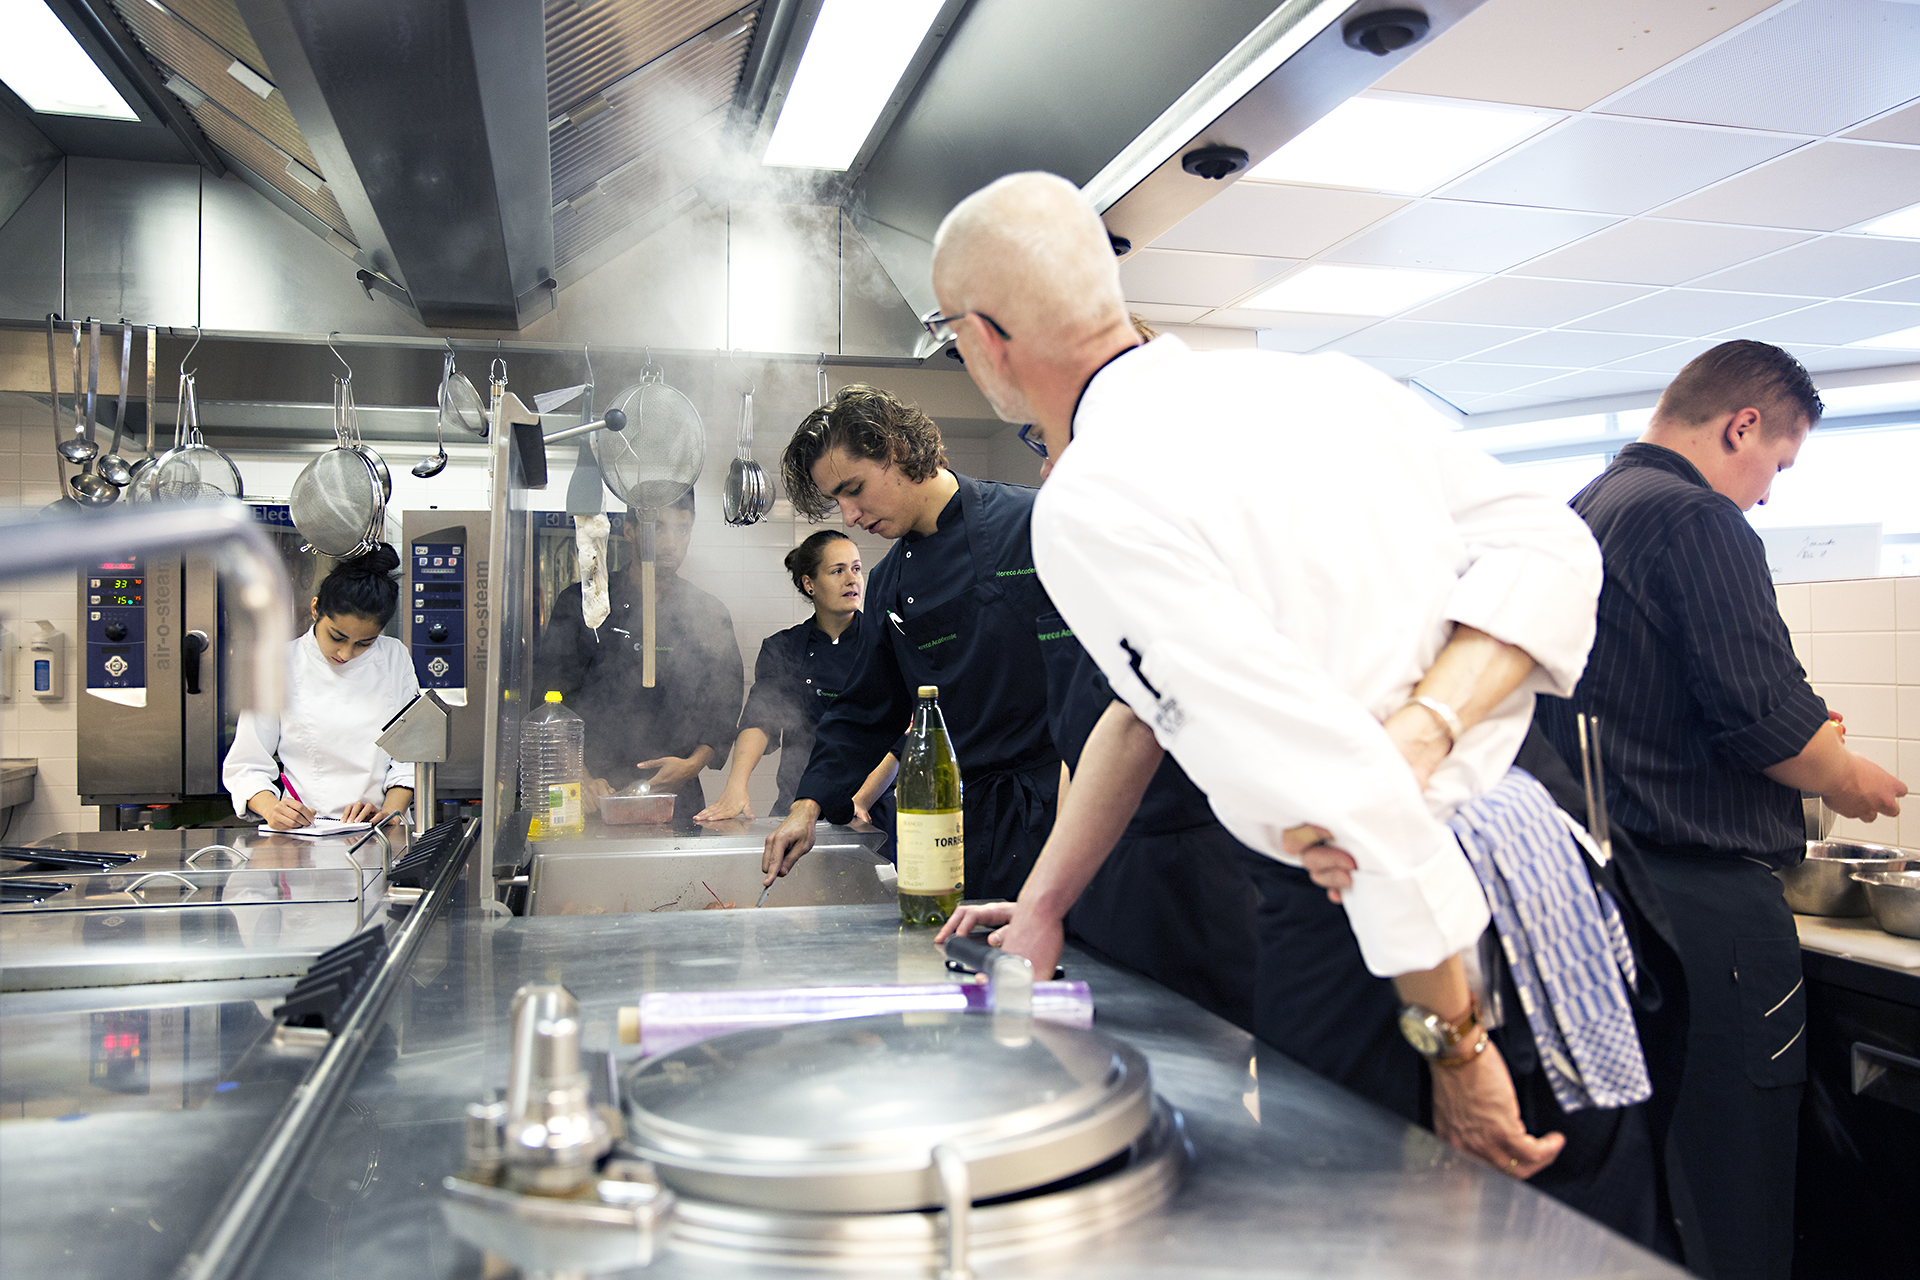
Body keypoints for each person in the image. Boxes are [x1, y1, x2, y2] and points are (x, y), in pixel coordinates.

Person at [927, 173, 1626, 1198]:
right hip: (1538, 869)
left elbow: (1347, 795)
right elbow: (1555, 547)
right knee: (1577, 1236)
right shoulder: (1321, 385)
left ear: (987, 337)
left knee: (1391, 1233)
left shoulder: (1087, 501)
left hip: (1394, 940)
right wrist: (1042, 904)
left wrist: (1456, 1043)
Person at [1531, 340, 1906, 1280]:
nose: (1769, 496)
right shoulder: (1698, 518)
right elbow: (1771, 724)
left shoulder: (1584, 510)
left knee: (1650, 1179)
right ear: (1742, 426)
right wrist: (1846, 775)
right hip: (1705, 917)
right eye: (1778, 463)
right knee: (1728, 1173)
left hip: (1604, 893)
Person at [761, 385, 1059, 901]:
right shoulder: (889, 583)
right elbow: (865, 710)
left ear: (895, 448)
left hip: (1054, 815)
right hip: (956, 826)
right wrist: (806, 806)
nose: (849, 516)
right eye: (837, 501)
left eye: (854, 489)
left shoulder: (1031, 524)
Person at [540, 494, 744, 823]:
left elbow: (724, 706)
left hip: (677, 799)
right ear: (629, 530)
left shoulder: (709, 612)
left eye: (682, 530)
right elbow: (551, 698)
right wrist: (582, 777)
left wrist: (692, 765)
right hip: (594, 796)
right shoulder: (584, 603)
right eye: (657, 528)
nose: (670, 542)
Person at [695, 531, 899, 831]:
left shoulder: (886, 643)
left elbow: (902, 733)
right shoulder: (783, 647)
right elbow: (760, 719)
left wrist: (862, 800)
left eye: (856, 569)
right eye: (837, 571)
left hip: (870, 809)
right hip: (796, 803)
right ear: (809, 583)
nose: (852, 580)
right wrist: (736, 786)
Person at [225, 544, 418, 828]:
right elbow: (246, 765)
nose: (346, 653)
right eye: (337, 637)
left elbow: (411, 755)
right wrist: (273, 809)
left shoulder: (394, 657)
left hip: (380, 830)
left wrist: (389, 814)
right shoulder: (279, 664)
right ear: (316, 609)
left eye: (364, 643)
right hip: (306, 831)